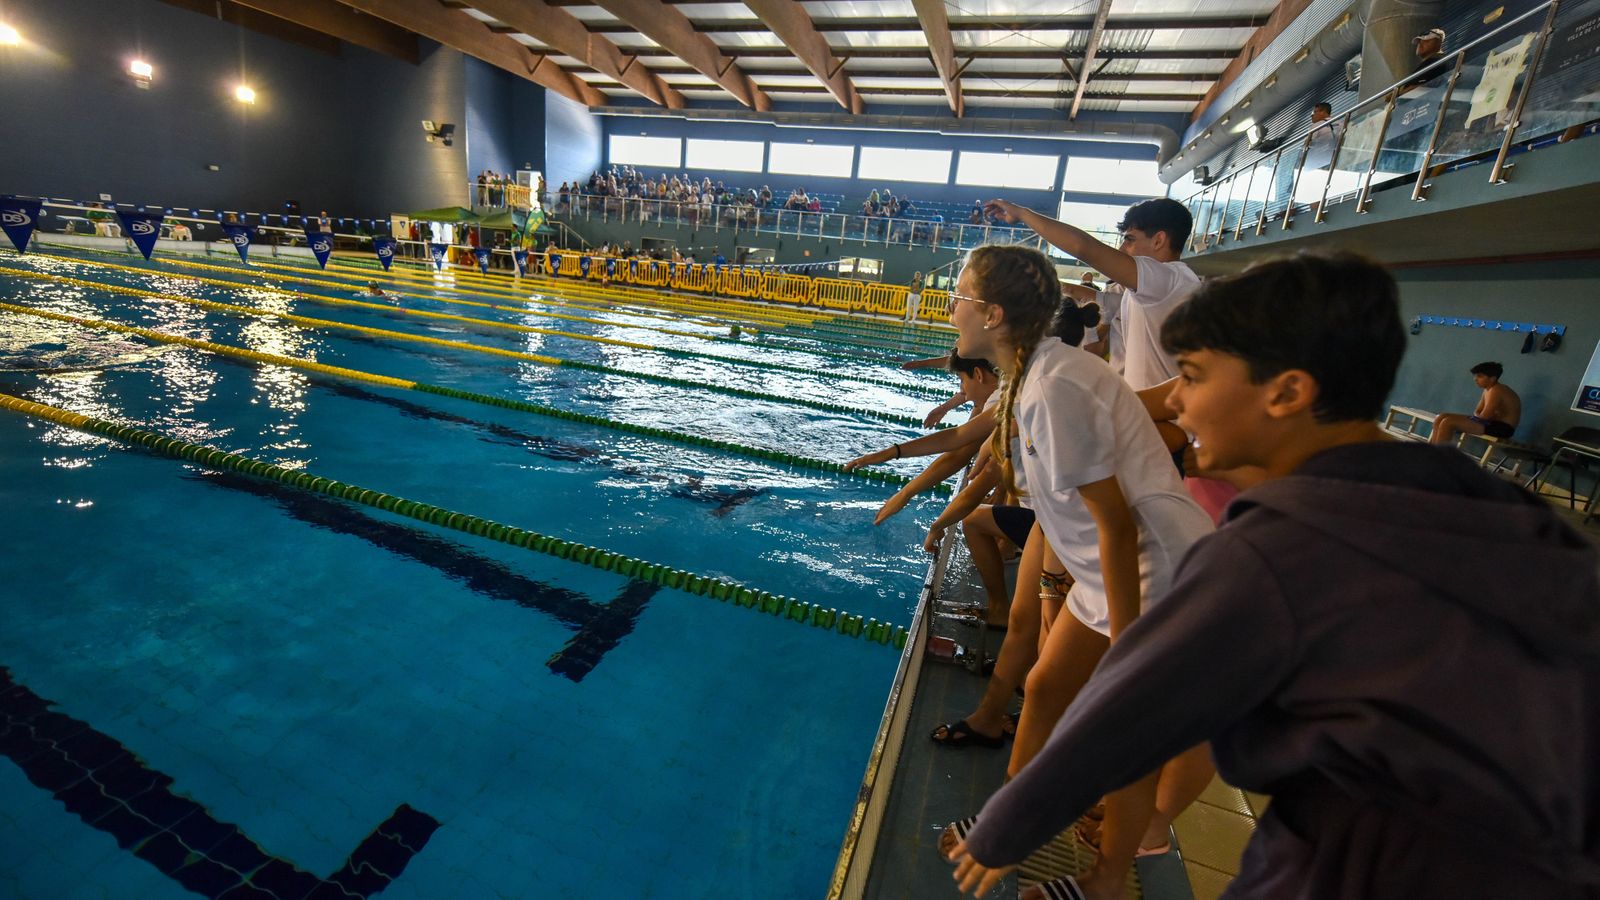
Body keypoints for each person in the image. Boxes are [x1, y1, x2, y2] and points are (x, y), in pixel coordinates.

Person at [948, 252, 1600, 900]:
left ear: (1288, 392)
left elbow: (1122, 717)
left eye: (1195, 376)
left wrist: (1002, 833)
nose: (1172, 398)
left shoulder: (1271, 554)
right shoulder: (1496, 508)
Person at [986, 197, 1197, 390]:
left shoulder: (1166, 280)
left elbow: (1083, 248)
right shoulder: (1160, 286)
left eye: (1130, 239)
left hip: (1161, 421)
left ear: (1158, 240)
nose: (1122, 249)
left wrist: (1023, 214)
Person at [1430, 361, 1521, 444]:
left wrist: (1476, 417)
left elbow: (1484, 416)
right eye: (1476, 376)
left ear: (1492, 378)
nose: (1475, 379)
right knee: (1441, 417)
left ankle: (1438, 456)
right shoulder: (1487, 390)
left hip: (1502, 428)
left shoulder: (1497, 390)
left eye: (1480, 376)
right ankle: (1431, 450)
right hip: (1489, 423)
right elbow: (1478, 412)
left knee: (1448, 422)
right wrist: (1477, 417)